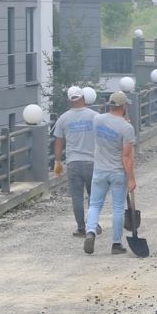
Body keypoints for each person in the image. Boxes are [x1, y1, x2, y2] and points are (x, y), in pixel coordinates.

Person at [84, 91, 136, 256]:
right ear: (123, 106)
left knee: (94, 204)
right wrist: (131, 179)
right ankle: (116, 244)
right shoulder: (127, 128)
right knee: (118, 208)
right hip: (117, 173)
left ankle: (91, 231)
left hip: (99, 170)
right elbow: (127, 157)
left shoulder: (97, 120)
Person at [53, 86, 99, 237]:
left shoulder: (63, 118)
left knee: (77, 197)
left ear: (69, 100)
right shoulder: (94, 116)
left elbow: (59, 142)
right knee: (94, 196)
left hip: (73, 163)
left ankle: (81, 228)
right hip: (93, 162)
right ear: (83, 97)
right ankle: (93, 225)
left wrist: (58, 162)